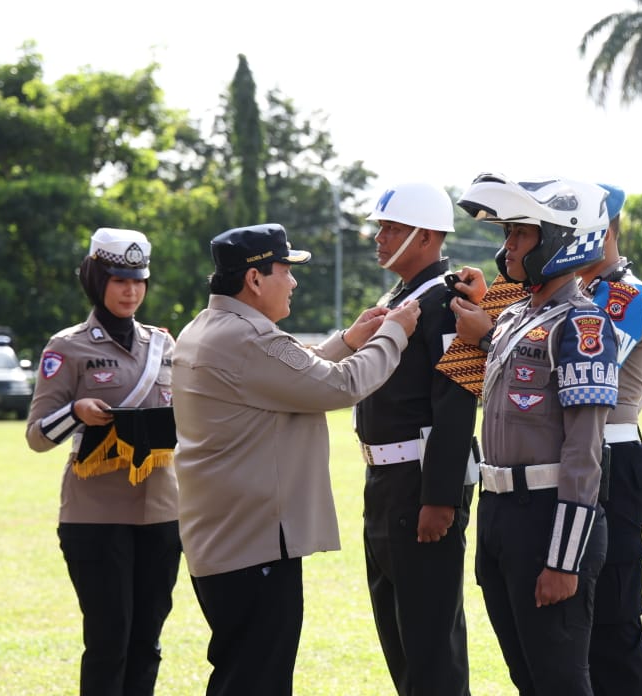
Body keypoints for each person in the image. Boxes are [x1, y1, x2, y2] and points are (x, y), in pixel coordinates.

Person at [170, 223, 419, 696]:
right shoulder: (248, 339)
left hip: (227, 540)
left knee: (241, 672)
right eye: (285, 269)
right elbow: (339, 386)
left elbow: (289, 376)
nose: (294, 280)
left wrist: (348, 340)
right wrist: (393, 333)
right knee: (256, 680)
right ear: (255, 280)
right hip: (253, 544)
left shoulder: (209, 329)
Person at [455, 173, 617, 695]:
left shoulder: (583, 326)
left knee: (559, 680)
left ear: (559, 239)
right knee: (527, 678)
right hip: (500, 513)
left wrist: (563, 559)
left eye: (520, 235)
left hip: (548, 519)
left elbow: (584, 451)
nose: (508, 248)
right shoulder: (517, 317)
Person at [25, 227, 182, 696]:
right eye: (118, 280)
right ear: (97, 280)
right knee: (109, 640)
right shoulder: (68, 347)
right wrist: (75, 412)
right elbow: (36, 437)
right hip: (94, 517)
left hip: (160, 514)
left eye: (138, 280)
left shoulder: (164, 345)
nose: (131, 290)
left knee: (147, 642)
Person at [353, 182, 478, 696]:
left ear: (426, 236)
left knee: (431, 649)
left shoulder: (447, 302)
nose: (379, 238)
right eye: (381, 227)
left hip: (419, 484)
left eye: (392, 228)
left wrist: (441, 498)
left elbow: (456, 403)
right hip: (385, 482)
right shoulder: (402, 298)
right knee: (400, 640)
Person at [578, 183, 642, 696]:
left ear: (604, 230)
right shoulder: (579, 293)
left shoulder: (623, 295)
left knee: (613, 625)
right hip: (583, 457)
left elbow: (590, 366)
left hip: (613, 458)